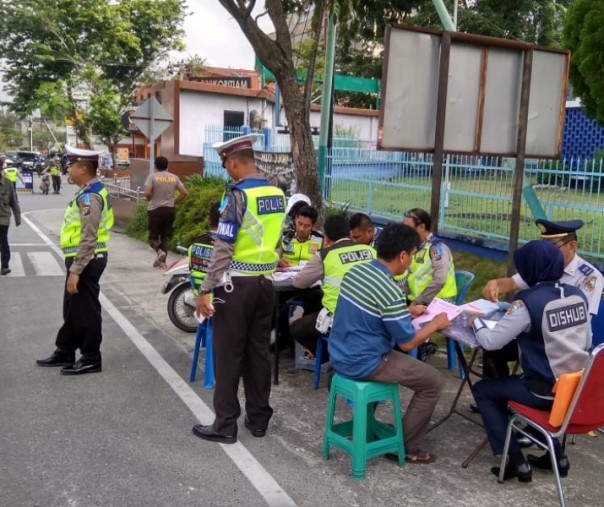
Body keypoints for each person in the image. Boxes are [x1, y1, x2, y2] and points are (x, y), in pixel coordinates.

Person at [328, 223, 451, 464]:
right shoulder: (389, 289)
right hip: (365, 361)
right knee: (434, 382)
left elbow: (375, 312)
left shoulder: (357, 272)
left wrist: (406, 311)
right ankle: (404, 447)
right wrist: (435, 324)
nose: (413, 260)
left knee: (402, 362)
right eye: (413, 255)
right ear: (403, 256)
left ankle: (367, 426)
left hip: (339, 353)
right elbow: (407, 344)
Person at [193, 133, 286, 444]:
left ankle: (225, 425)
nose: (226, 171)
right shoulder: (277, 194)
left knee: (228, 355)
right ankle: (258, 420)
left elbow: (223, 247)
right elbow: (275, 239)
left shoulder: (236, 196)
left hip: (234, 287)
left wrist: (206, 288)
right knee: (258, 354)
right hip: (265, 286)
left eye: (225, 166)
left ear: (232, 163)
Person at [471, 240, 591, 482]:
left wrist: (474, 321)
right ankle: (556, 457)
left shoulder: (528, 302)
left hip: (544, 390)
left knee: (484, 390)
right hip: (576, 389)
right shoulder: (577, 295)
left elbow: (491, 342)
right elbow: (584, 339)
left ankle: (515, 460)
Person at [480, 219, 604, 379]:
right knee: (493, 346)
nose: (546, 251)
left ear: (571, 246)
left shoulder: (589, 277)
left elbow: (576, 323)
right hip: (537, 338)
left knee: (495, 341)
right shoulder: (544, 264)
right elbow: (511, 283)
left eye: (552, 247)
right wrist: (494, 284)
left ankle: (510, 395)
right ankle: (498, 394)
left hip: (564, 348)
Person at [36, 155, 114, 375]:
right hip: (82, 258)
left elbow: (89, 236)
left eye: (70, 166)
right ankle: (66, 350)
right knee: (72, 307)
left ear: (82, 169)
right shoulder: (87, 191)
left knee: (86, 311)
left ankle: (91, 358)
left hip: (88, 259)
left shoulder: (90, 196)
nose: (67, 170)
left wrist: (76, 270)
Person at [289, 214, 375, 356]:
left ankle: (329, 356)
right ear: (350, 233)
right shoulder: (371, 252)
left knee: (296, 329)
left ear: (326, 238)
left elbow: (298, 283)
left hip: (340, 319)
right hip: (370, 317)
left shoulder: (325, 255)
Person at [401, 208, 457, 362]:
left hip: (441, 302)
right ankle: (418, 348)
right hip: (420, 300)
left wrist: (416, 302)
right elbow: (408, 276)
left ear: (421, 227)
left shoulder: (437, 249)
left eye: (408, 227)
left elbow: (439, 280)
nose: (404, 231)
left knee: (407, 320)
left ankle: (420, 350)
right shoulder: (414, 247)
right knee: (391, 315)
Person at [144, 156, 188, 268]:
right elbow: (184, 193)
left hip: (155, 210)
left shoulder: (152, 177)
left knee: (152, 238)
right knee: (165, 237)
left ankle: (159, 252)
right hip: (170, 210)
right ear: (167, 165)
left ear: (156, 166)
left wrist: (150, 199)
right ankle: (162, 263)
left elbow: (147, 193)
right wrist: (174, 202)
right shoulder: (174, 178)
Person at [188, 202, 220, 295]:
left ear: (209, 220)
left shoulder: (195, 244)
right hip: (220, 300)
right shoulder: (228, 246)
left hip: (198, 296)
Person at [0, 158, 22, 275]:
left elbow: (13, 202)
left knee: (3, 241)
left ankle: (4, 266)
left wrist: (18, 218)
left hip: (3, 218)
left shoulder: (7, 183)